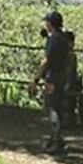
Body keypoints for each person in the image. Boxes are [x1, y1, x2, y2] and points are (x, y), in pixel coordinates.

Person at [29, 10, 69, 154]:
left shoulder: (54, 39)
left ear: (50, 24)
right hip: (62, 76)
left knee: (52, 109)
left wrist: (36, 79)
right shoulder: (64, 38)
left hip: (53, 77)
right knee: (58, 107)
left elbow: (46, 61)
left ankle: (56, 140)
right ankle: (56, 139)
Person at [64, 31, 83, 128]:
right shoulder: (71, 55)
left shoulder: (58, 53)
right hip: (68, 83)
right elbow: (71, 71)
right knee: (80, 89)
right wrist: (68, 83)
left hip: (61, 81)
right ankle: (82, 118)